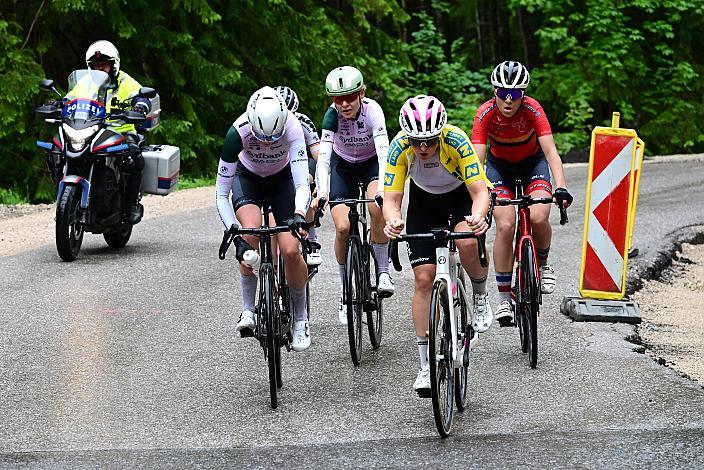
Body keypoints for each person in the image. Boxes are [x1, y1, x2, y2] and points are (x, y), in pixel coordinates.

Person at [383, 95, 492, 395]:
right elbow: (391, 201)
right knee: (423, 279)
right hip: (424, 203)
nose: (423, 148)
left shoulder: (456, 141)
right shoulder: (399, 148)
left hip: (461, 198)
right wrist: (392, 221)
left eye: (429, 141)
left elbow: (480, 191)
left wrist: (479, 217)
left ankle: (480, 295)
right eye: (417, 141)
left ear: (440, 132)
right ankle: (425, 366)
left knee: (468, 244)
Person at [471, 60, 573, 326]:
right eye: (502, 92)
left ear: (523, 95)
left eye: (515, 94)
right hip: (499, 169)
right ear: (494, 91)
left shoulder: (532, 109)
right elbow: (476, 163)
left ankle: (544, 263)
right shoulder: (484, 114)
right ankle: (504, 297)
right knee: (505, 225)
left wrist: (560, 187)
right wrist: (476, 196)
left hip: (533, 164)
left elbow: (551, 153)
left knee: (539, 216)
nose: (508, 99)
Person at [216, 86, 312, 352]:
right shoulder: (237, 132)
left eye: (274, 137)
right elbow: (221, 194)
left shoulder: (292, 126)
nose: (269, 142)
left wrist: (299, 215)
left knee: (291, 249)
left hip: (283, 181)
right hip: (248, 179)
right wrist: (233, 233)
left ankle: (301, 319)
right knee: (248, 232)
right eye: (262, 137)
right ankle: (247, 310)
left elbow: (302, 183)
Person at [312, 66, 394, 325]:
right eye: (338, 98)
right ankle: (346, 292)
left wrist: (382, 189)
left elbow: (384, 154)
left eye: (350, 97)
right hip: (342, 166)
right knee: (342, 227)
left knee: (376, 208)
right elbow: (324, 159)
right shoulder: (331, 117)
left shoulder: (373, 111)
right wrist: (323, 190)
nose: (345, 104)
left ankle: (382, 271)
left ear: (362, 93)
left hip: (371, 163)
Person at [84, 40, 151, 224]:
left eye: (103, 65)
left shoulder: (125, 81)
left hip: (122, 131)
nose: (100, 69)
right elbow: (71, 98)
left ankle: (131, 207)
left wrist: (140, 107)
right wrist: (59, 103)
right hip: (93, 130)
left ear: (113, 65)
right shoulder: (87, 83)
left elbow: (141, 97)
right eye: (96, 66)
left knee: (134, 158)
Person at [275, 85, 322, 266]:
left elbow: (317, 153)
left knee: (306, 182)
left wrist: (323, 176)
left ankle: (311, 238)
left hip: (302, 161)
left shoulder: (303, 122)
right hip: (278, 164)